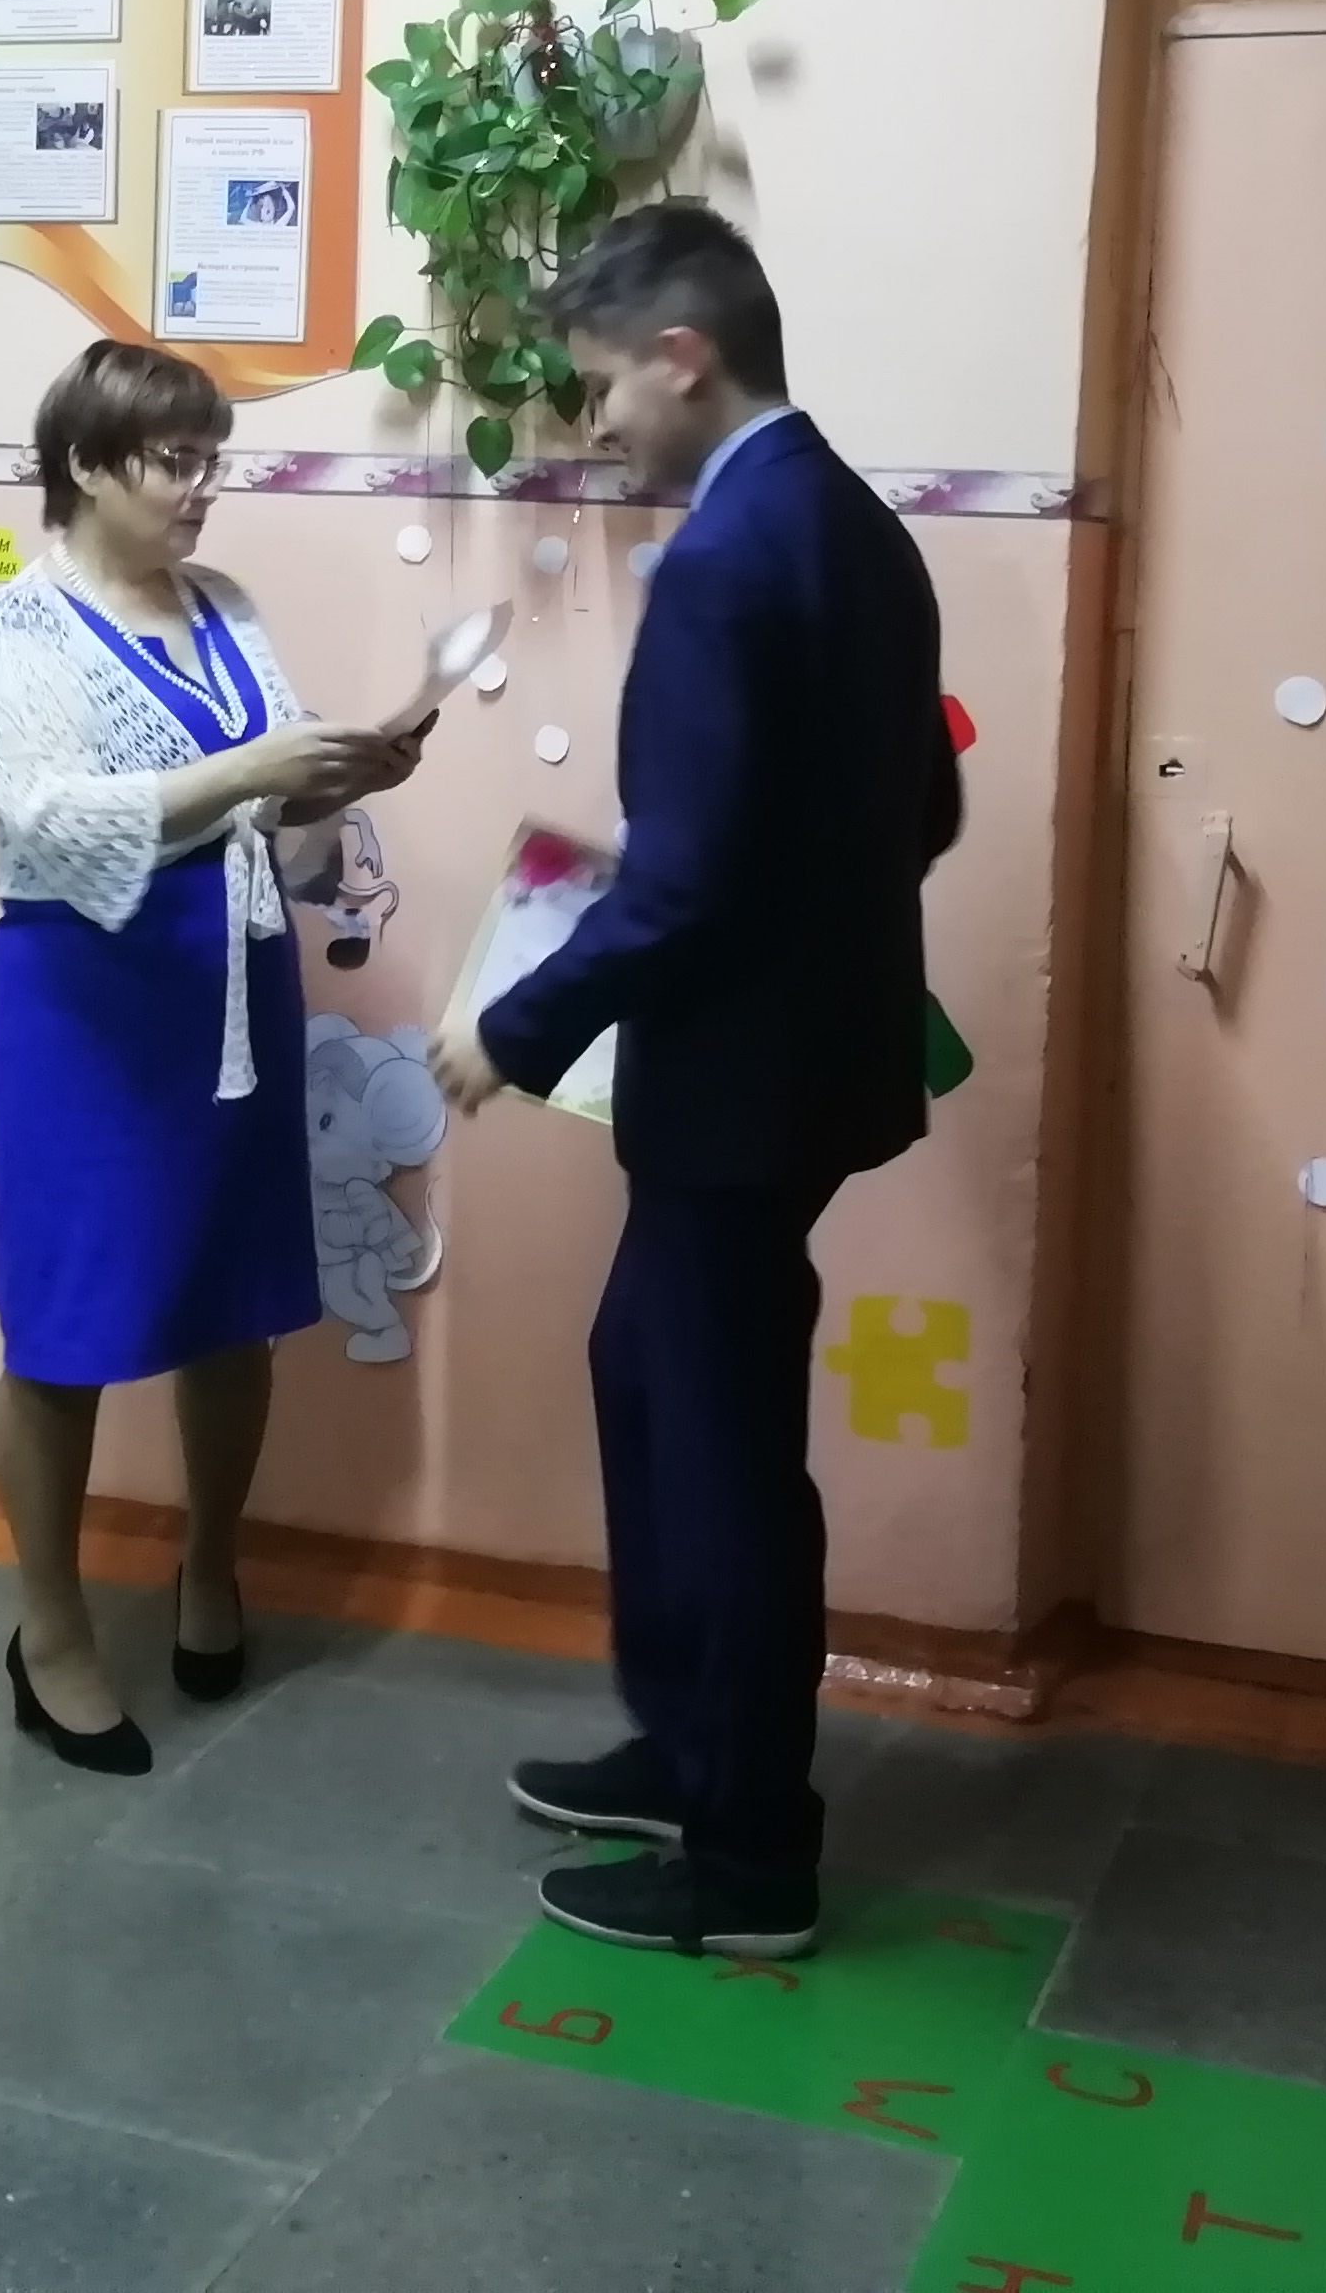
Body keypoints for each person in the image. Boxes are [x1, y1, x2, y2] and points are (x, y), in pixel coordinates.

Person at [430, 202, 960, 1957]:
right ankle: (685, 1746)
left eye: (600, 389)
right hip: (800, 1066)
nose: (595, 428)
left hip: (741, 1086)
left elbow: (685, 887)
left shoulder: (735, 555)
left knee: (722, 1459)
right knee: (647, 1378)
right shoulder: (857, 524)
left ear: (684, 356)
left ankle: (747, 1858)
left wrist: (512, 1029)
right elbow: (924, 806)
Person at [0, 341, 427, 1775]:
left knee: (235, 1302)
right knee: (65, 1323)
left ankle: (210, 1561)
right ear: (86, 465)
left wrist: (334, 782)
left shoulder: (224, 607)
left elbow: (274, 824)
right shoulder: (15, 628)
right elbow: (47, 818)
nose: (202, 486)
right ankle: (50, 1630)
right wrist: (251, 772)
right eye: (175, 461)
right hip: (89, 1007)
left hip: (236, 977)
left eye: (212, 459)